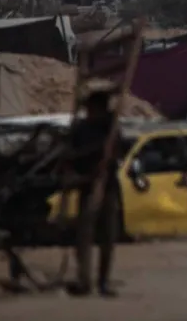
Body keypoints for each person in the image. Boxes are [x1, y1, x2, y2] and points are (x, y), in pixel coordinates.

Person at [64, 87, 123, 297]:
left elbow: (118, 151)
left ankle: (103, 282)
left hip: (107, 186)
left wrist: (106, 157)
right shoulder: (81, 129)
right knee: (84, 237)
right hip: (87, 185)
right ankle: (84, 280)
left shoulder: (111, 128)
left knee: (107, 237)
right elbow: (70, 155)